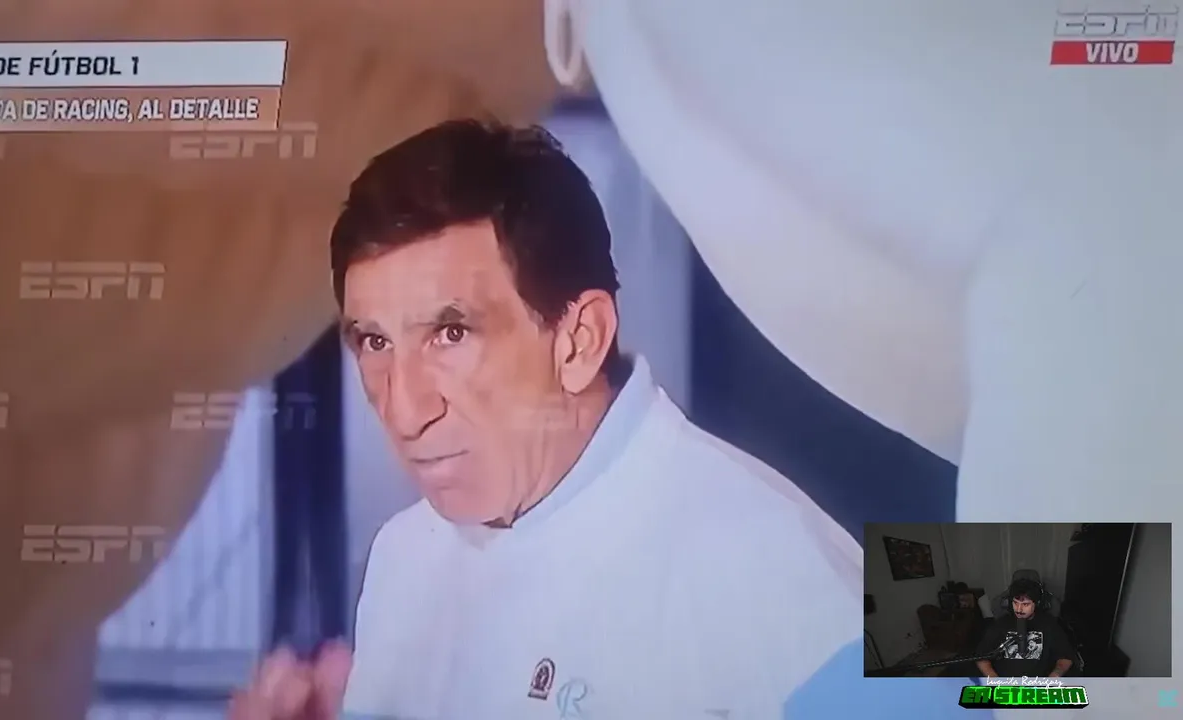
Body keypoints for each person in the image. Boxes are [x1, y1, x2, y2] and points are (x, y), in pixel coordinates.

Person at [227, 119, 958, 720]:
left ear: (578, 341)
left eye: (452, 333)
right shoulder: (401, 557)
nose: (405, 410)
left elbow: (1018, 659)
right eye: (374, 343)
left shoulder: (781, 560)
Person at [975, 578, 1075, 680]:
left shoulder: (1050, 625)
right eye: (1015, 603)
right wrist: (995, 680)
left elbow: (1066, 658)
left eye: (1025, 604)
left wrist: (1054, 676)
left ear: (1037, 603)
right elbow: (981, 658)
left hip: (1038, 683)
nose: (1019, 609)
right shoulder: (1001, 624)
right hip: (1006, 683)